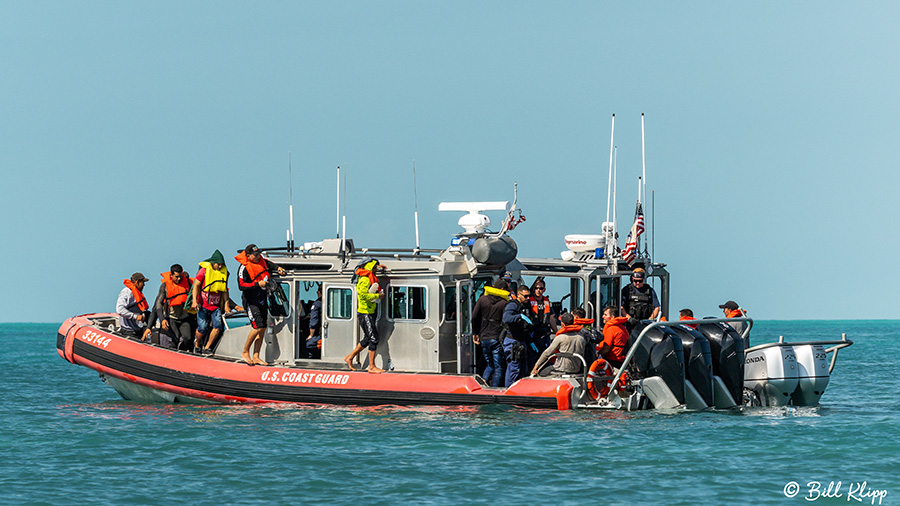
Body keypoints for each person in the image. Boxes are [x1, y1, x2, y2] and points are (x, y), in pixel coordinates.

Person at [235, 244, 286, 365]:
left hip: (262, 299)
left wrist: (279, 268)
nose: (258, 256)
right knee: (257, 326)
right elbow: (241, 286)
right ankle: (245, 351)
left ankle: (256, 355)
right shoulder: (244, 268)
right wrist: (258, 284)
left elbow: (271, 264)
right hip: (251, 301)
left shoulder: (262, 261)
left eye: (259, 254)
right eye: (256, 255)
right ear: (248, 256)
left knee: (262, 328)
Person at [344, 259, 386, 373]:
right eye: (375, 268)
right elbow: (362, 296)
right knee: (374, 338)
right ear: (370, 268)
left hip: (370, 312)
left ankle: (349, 357)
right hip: (365, 313)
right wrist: (378, 296)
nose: (376, 269)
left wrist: (380, 265)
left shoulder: (369, 275)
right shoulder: (365, 279)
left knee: (368, 338)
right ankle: (371, 366)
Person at [191, 249, 236, 355]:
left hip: (215, 306)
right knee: (202, 327)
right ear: (213, 262)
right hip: (203, 305)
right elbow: (196, 285)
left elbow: (224, 290)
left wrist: (226, 305)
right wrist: (194, 301)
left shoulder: (223, 273)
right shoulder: (204, 271)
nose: (220, 266)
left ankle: (207, 347)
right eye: (218, 264)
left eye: (221, 264)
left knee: (217, 326)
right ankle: (197, 344)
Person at [145, 264, 197, 350]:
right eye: (176, 277)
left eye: (180, 276)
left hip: (184, 318)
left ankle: (183, 351)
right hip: (172, 318)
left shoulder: (187, 283)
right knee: (175, 338)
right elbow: (158, 305)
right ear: (171, 275)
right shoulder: (164, 286)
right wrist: (162, 320)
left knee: (188, 338)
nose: (179, 279)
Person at [472, 279, 510, 387]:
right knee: (499, 367)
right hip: (496, 338)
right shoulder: (504, 303)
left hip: (483, 337)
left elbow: (474, 317)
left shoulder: (482, 299)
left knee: (490, 364)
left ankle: (483, 381)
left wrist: (475, 333)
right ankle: (494, 389)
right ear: (502, 290)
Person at [502, 285, 533, 387]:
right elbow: (506, 318)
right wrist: (519, 316)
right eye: (525, 296)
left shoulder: (524, 306)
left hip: (521, 340)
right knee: (514, 368)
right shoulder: (513, 305)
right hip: (513, 341)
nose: (528, 298)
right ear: (519, 294)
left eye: (529, 296)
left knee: (523, 369)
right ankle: (509, 391)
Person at [528, 278, 558, 356]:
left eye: (540, 288)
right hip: (532, 332)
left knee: (545, 356)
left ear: (544, 290)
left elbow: (551, 318)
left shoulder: (547, 302)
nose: (538, 290)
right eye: (536, 288)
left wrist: (557, 332)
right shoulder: (528, 301)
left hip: (544, 333)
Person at [117, 272, 149, 339]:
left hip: (138, 330)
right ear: (137, 282)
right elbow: (119, 309)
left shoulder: (138, 293)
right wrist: (135, 316)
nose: (144, 285)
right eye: (143, 282)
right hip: (128, 332)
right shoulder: (126, 292)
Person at [305, 285, 323, 359]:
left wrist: (311, 335)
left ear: (318, 292)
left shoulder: (317, 304)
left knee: (309, 343)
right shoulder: (330, 302)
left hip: (320, 334)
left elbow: (314, 321)